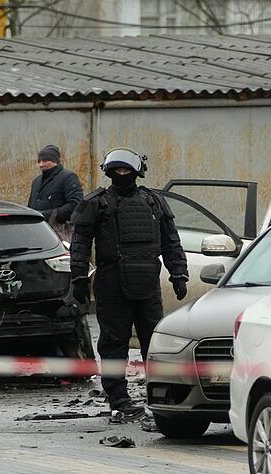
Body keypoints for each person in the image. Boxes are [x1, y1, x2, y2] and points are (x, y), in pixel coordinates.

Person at [68, 147, 188, 416]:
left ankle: (159, 397)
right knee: (113, 343)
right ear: (110, 173)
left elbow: (171, 241)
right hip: (111, 283)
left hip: (147, 281)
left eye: (126, 171)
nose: (122, 175)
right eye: (117, 171)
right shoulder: (97, 203)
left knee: (154, 343)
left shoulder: (153, 202)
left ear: (136, 173)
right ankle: (119, 400)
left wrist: (178, 273)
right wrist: (78, 277)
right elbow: (80, 243)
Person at [27, 145, 84, 241]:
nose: (41, 164)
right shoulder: (36, 181)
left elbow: (76, 204)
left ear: (55, 161)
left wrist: (49, 215)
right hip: (37, 231)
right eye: (39, 161)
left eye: (45, 161)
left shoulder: (68, 177)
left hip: (60, 232)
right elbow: (30, 206)